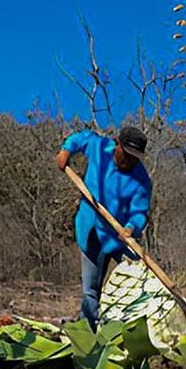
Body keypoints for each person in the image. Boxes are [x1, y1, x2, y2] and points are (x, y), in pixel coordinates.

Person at [56, 126, 152, 330]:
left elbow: (139, 212)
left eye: (134, 158)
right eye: (126, 154)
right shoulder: (99, 147)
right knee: (91, 290)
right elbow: (80, 139)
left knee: (138, 280)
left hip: (119, 237)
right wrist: (66, 150)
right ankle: (87, 331)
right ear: (117, 145)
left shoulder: (141, 181)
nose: (129, 161)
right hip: (90, 229)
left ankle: (134, 326)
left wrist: (131, 228)